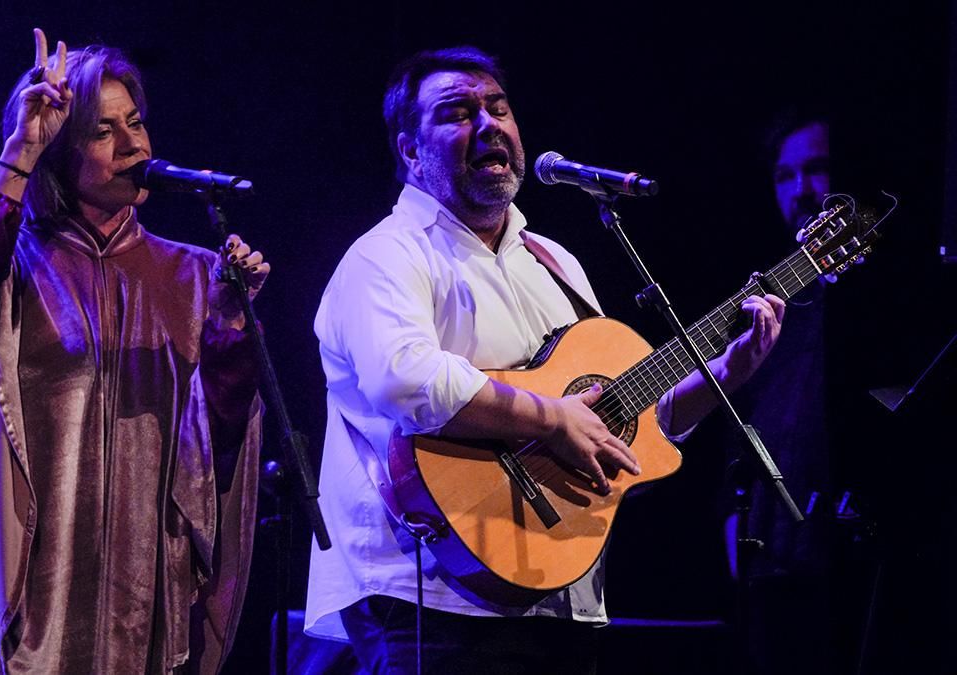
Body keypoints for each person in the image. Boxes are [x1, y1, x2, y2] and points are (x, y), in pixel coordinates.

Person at [303, 46, 786, 674]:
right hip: (429, 593)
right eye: (457, 112)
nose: (487, 124)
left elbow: (616, 422)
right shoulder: (386, 255)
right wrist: (551, 419)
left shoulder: (554, 264)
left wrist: (721, 376)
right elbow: (406, 379)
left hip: (559, 591)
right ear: (410, 152)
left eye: (498, 107)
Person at [0, 29, 269, 673]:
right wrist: (20, 149)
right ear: (60, 155)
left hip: (142, 584)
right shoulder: (13, 264)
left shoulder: (194, 274)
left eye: (137, 123)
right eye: (103, 132)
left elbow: (220, 442)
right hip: (28, 588)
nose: (135, 144)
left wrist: (230, 328)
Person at [724, 111, 861, 675]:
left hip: (851, 541)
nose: (802, 191)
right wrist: (732, 513)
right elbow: (741, 409)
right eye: (785, 176)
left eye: (817, 169)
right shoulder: (770, 293)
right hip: (774, 546)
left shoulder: (878, 293)